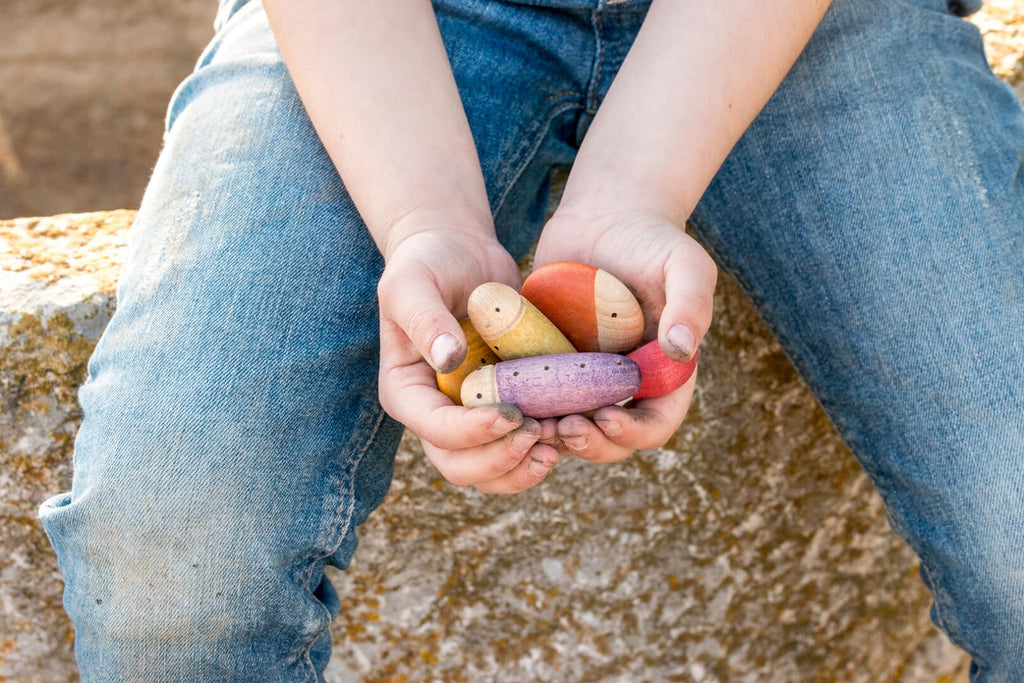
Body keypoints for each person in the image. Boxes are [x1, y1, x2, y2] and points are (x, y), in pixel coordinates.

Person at [39, 0, 1023, 679]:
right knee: (170, 540)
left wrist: (636, 187)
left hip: (803, 23)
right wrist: (425, 218)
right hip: (386, 32)